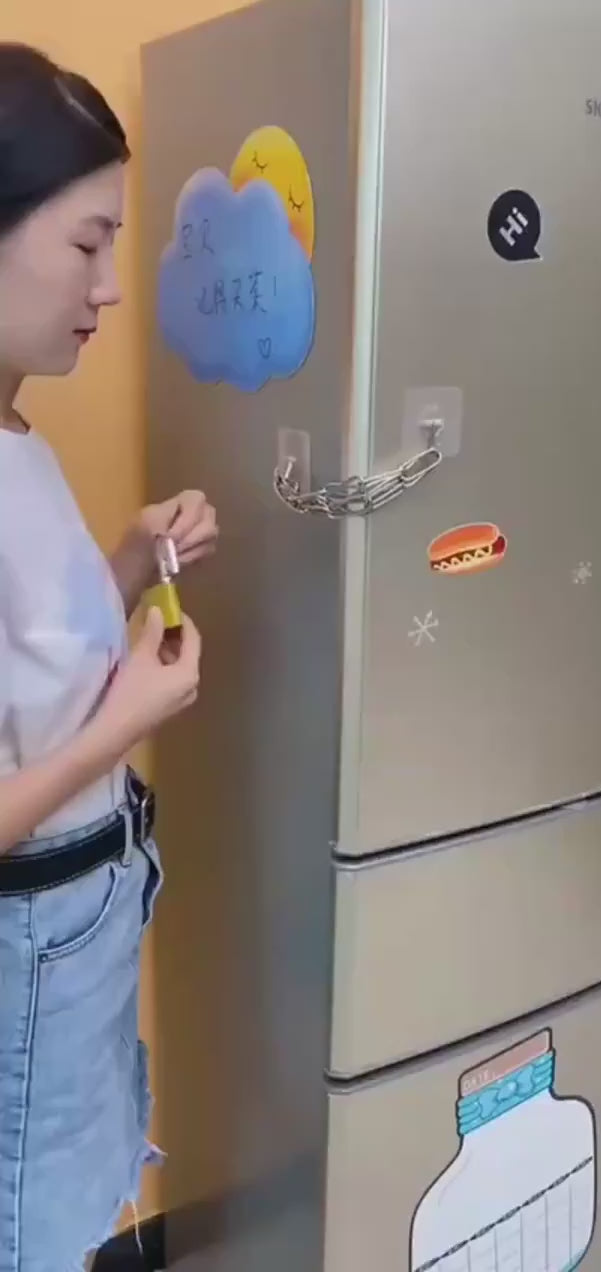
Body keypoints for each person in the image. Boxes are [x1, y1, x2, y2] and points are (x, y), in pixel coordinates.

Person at [0, 43, 218, 1271]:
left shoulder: (14, 429)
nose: (113, 287)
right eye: (88, 244)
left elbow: (29, 674)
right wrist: (127, 721)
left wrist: (130, 563)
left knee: (68, 1217)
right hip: (32, 944)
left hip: (83, 919)